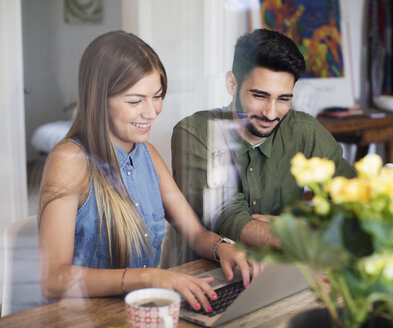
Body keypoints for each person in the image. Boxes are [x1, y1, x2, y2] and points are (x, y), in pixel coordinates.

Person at [37, 30, 259, 313]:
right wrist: (150, 277)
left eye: (157, 96)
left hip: (140, 311)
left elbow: (196, 234)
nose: (153, 112)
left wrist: (225, 247)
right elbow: (52, 280)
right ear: (98, 100)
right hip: (81, 318)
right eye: (135, 101)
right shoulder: (69, 160)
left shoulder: (148, 155)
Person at [165, 28, 356, 267]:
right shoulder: (195, 133)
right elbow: (228, 216)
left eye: (284, 99)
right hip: (208, 276)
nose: (271, 112)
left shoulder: (304, 130)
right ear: (232, 83)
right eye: (260, 96)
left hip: (283, 270)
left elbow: (354, 199)